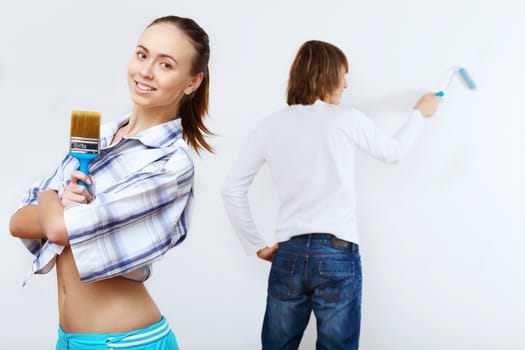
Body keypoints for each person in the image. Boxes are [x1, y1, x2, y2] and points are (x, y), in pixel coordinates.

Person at [221, 40, 441, 350]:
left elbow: (231, 189)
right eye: (343, 74)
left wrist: (255, 245)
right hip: (338, 252)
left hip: (289, 254)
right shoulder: (347, 119)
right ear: (326, 75)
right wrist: (419, 114)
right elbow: (394, 153)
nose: (347, 84)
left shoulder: (269, 126)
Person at [9, 15, 212, 349]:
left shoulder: (170, 165)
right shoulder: (98, 137)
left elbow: (58, 230)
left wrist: (50, 195)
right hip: (69, 339)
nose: (146, 71)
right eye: (142, 55)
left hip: (126, 342)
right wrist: (59, 207)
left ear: (191, 82)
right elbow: (18, 221)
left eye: (166, 64)